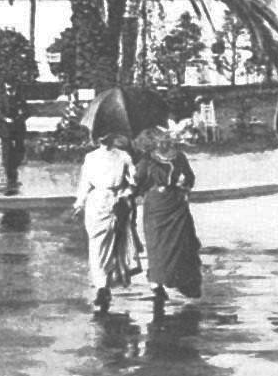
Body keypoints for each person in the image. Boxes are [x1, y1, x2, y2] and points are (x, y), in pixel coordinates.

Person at [133, 123, 201, 309]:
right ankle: (156, 284)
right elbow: (137, 183)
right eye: (161, 141)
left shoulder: (179, 157)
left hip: (177, 205)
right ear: (153, 144)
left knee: (181, 244)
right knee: (158, 246)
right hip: (157, 207)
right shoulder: (147, 161)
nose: (166, 144)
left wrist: (184, 183)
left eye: (167, 141)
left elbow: (190, 178)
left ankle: (182, 280)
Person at [72, 129, 139, 311]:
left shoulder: (123, 156)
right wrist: (80, 203)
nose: (103, 138)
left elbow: (134, 182)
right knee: (96, 244)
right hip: (96, 204)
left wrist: (125, 193)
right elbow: (85, 182)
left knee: (114, 245)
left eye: (106, 134)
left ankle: (106, 284)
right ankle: (101, 286)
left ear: (112, 136)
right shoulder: (91, 157)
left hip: (116, 203)